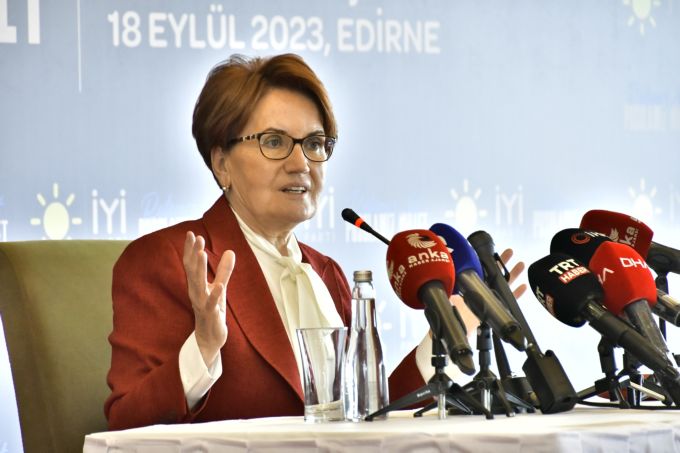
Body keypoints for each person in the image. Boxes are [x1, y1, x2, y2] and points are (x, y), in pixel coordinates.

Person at [104, 53, 522, 430]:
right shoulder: (166, 260)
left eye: (315, 144)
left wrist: (448, 334)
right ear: (222, 163)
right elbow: (125, 424)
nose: (301, 162)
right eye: (274, 142)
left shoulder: (327, 274)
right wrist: (203, 348)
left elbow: (368, 421)